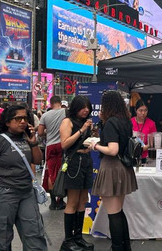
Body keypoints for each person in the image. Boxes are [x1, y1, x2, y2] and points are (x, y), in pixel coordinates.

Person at [0, 104, 47, 251]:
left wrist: (33, 141)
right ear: (7, 122)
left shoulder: (26, 139)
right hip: (4, 193)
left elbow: (37, 160)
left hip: (26, 192)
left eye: (25, 118)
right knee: (1, 237)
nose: (23, 121)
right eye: (18, 119)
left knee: (34, 234)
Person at [90, 91, 137, 251]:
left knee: (113, 213)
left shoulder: (111, 122)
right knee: (119, 211)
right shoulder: (126, 121)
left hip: (111, 168)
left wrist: (95, 145)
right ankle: (125, 246)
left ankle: (117, 247)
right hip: (124, 168)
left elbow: (112, 149)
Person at [59, 96, 95, 251]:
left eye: (87, 107)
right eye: (82, 107)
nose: (86, 110)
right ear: (75, 107)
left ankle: (78, 236)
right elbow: (65, 143)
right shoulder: (68, 121)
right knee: (72, 201)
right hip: (74, 163)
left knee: (82, 200)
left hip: (86, 160)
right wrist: (81, 130)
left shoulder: (86, 122)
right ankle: (68, 240)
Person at [38, 95, 67, 210]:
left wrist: (48, 131)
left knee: (51, 172)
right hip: (63, 144)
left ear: (50, 104)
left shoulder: (45, 115)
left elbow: (40, 133)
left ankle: (53, 202)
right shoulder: (65, 112)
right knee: (62, 171)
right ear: (60, 103)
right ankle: (61, 200)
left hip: (50, 146)